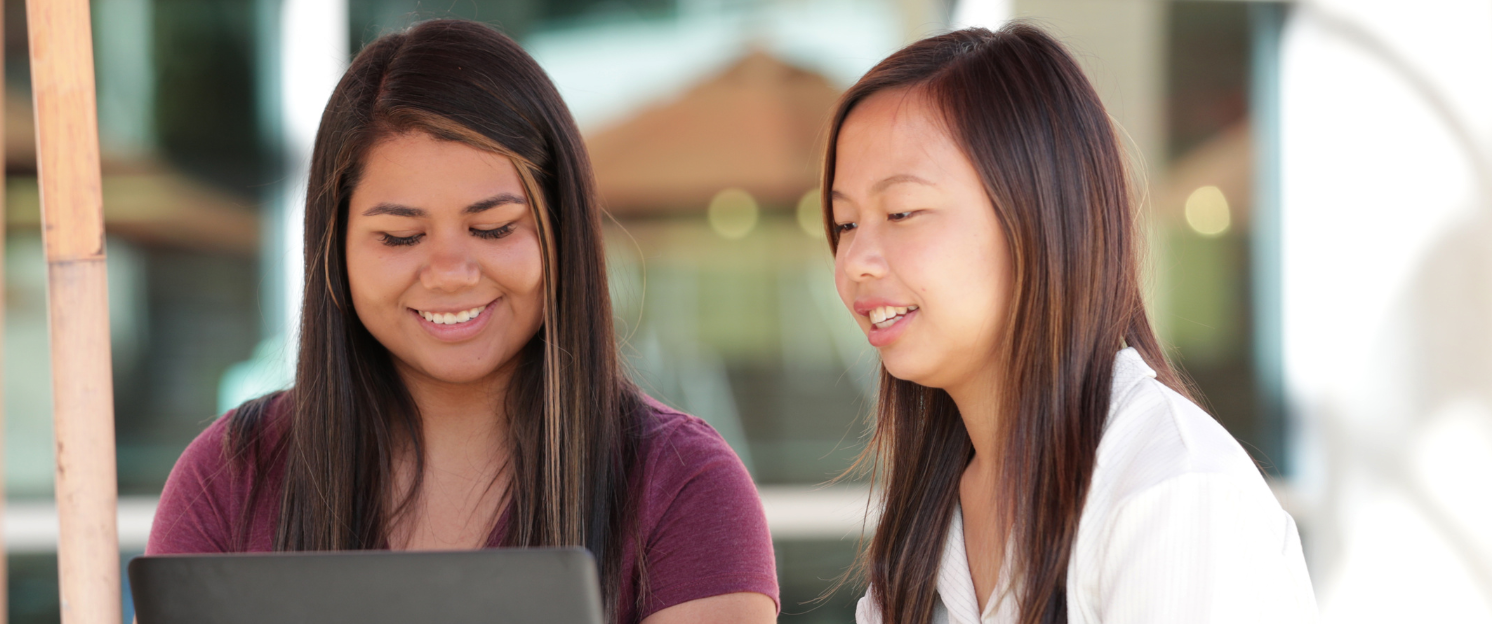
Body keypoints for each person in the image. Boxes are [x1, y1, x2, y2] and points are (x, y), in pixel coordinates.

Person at [147, 19, 778, 624]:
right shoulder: (230, 477)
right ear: (335, 251)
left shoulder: (685, 486)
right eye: (400, 237)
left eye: (494, 228)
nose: (450, 272)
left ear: (563, 233)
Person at [820, 24, 1316, 624]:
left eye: (902, 212)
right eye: (845, 224)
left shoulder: (1172, 490)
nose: (855, 261)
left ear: (1034, 216)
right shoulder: (929, 515)